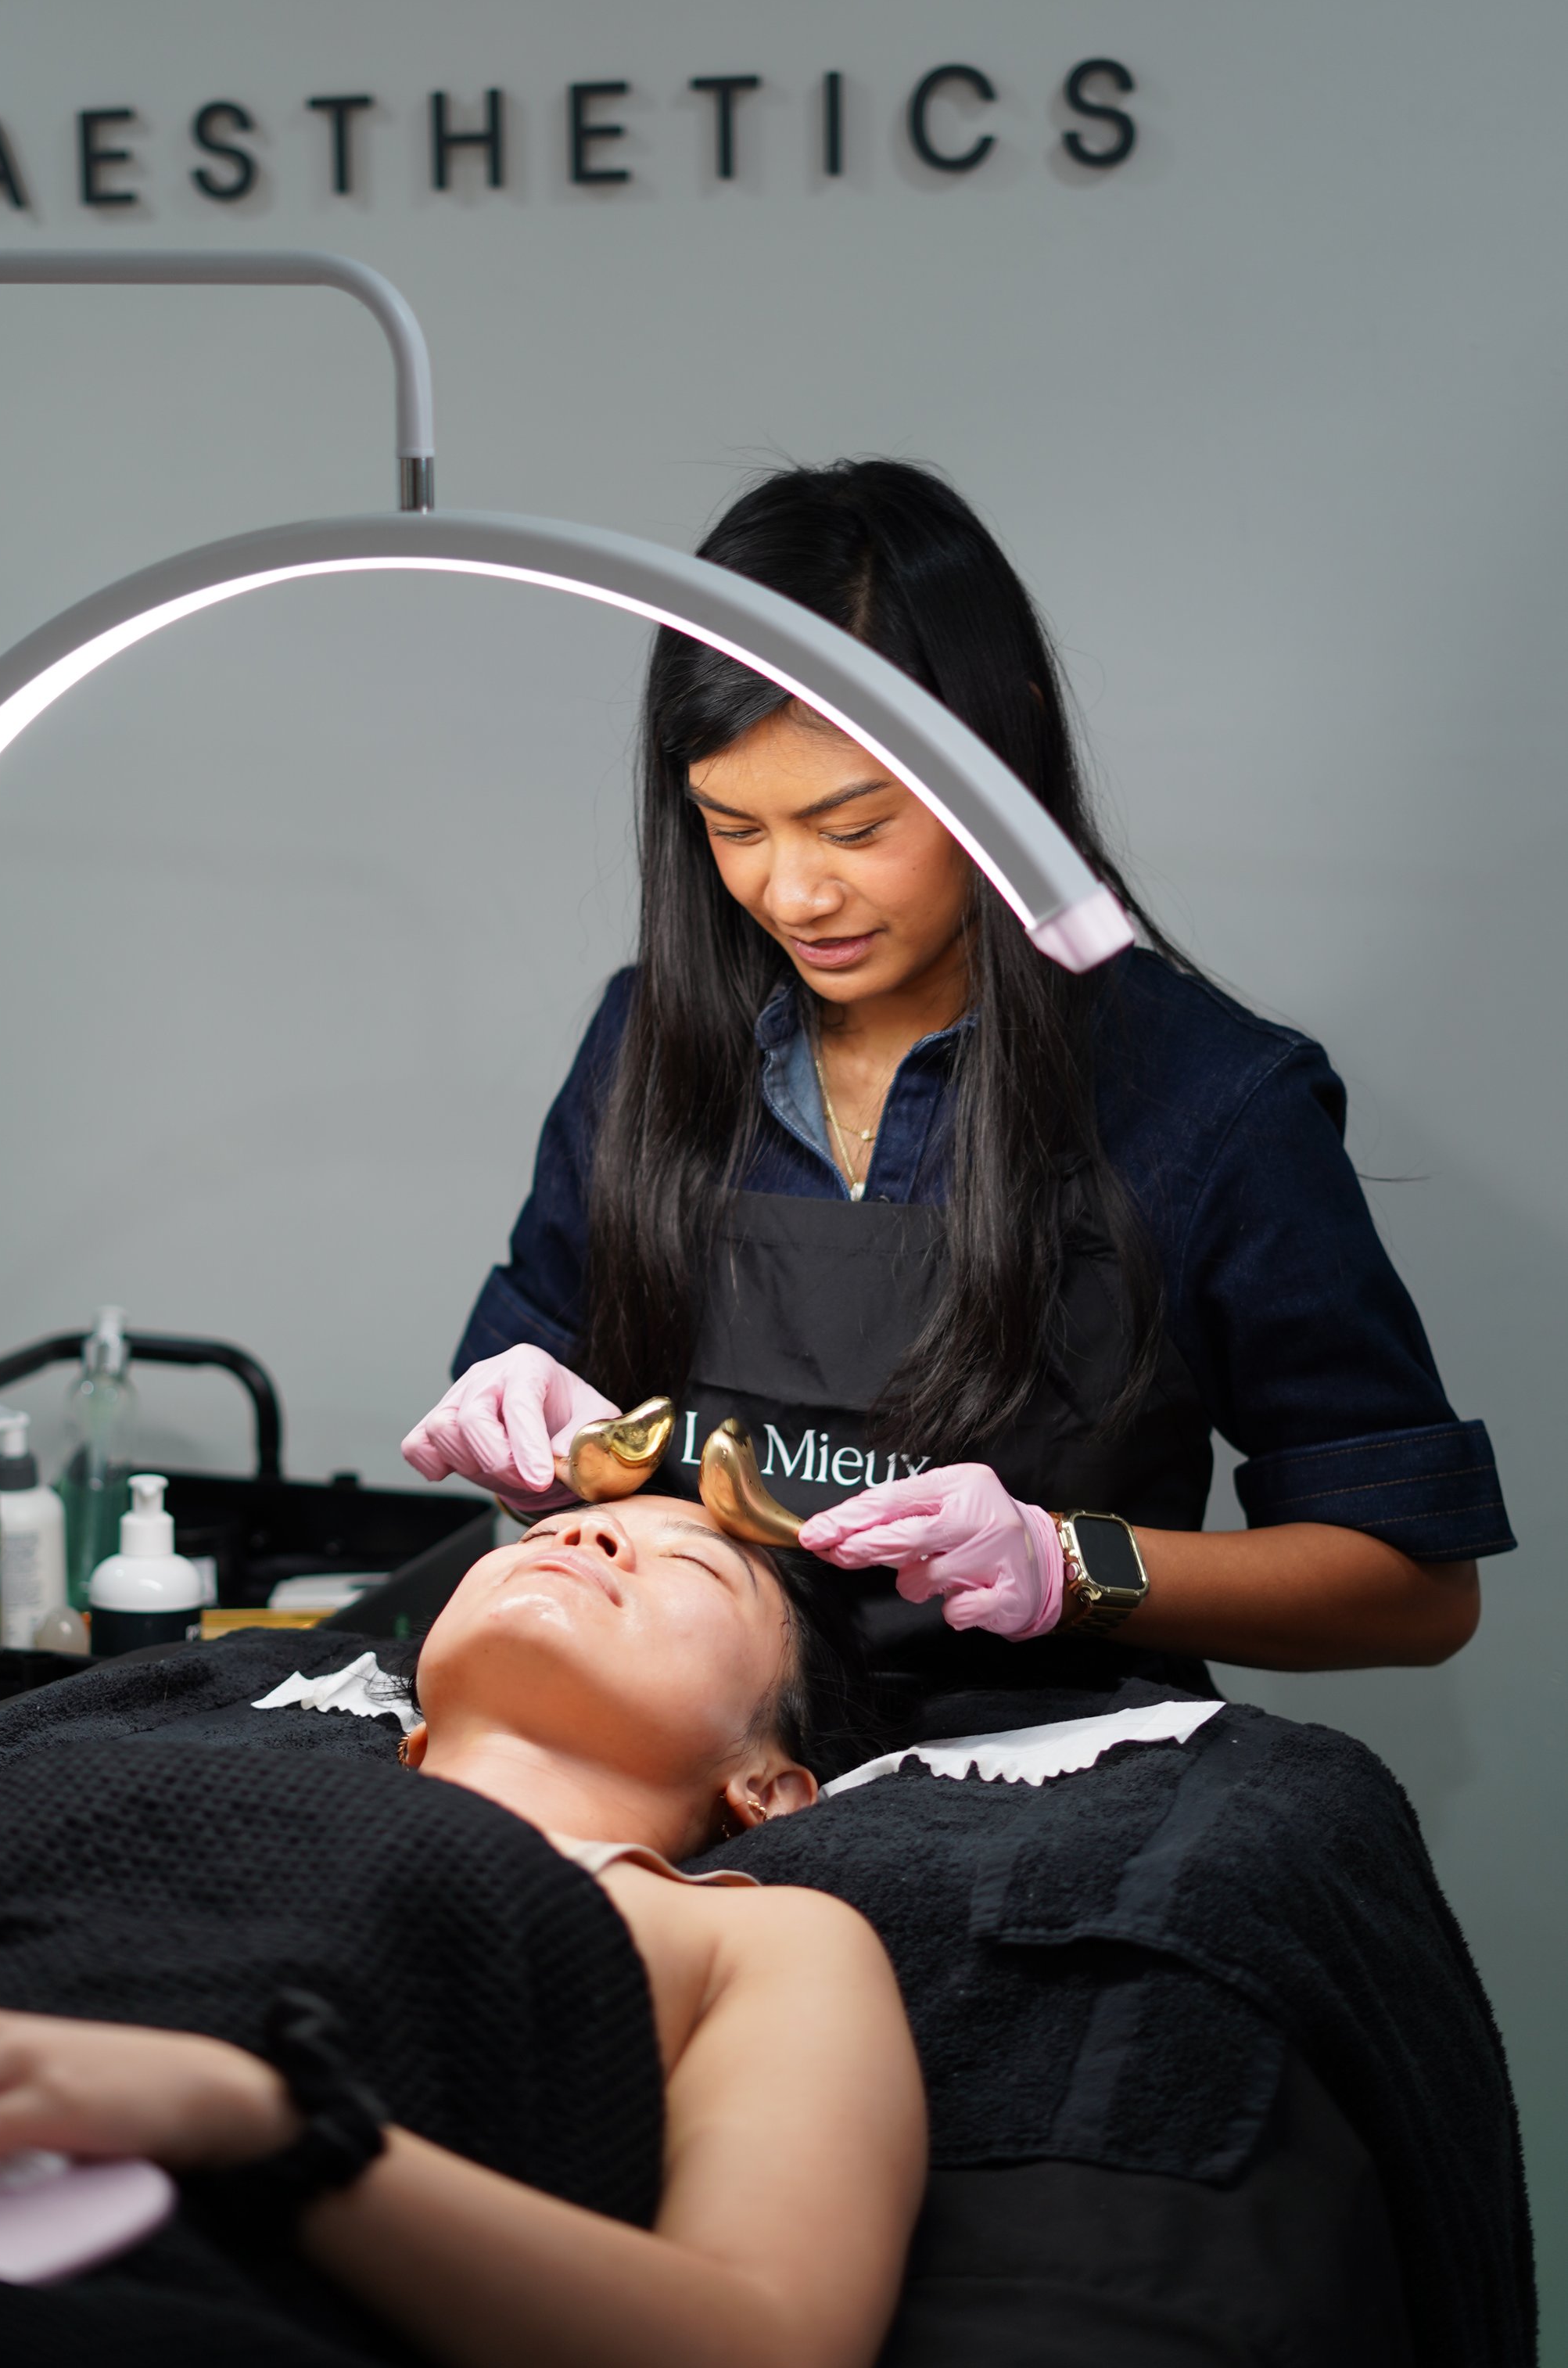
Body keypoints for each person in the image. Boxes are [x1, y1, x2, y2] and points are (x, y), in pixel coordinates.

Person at [406, 460, 1512, 1689]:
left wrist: (1066, 1566)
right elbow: (555, 1482)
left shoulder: (1211, 1103)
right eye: (735, 828)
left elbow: (1416, 1588)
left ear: (1002, 757)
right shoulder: (642, 1048)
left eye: (855, 825)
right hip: (704, 1772)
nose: (795, 893)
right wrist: (531, 1442)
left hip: (1041, 1805)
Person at [0, 1497, 921, 2368]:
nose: (586, 1532)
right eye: (565, 1523)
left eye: (690, 1563)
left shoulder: (748, 1931)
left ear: (770, 1783)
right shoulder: (118, 1764)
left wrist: (271, 2127)